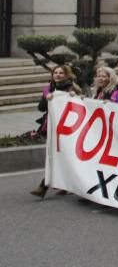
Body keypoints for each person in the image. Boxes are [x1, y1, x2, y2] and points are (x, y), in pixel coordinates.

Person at [29, 65, 82, 198]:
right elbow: (41, 109)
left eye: (61, 73)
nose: (57, 75)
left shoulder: (72, 89)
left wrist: (73, 97)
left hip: (67, 128)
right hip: (52, 127)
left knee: (58, 155)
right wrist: (46, 98)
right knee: (56, 155)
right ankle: (63, 184)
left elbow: (80, 105)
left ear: (66, 75)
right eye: (55, 73)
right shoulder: (48, 89)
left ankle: (44, 186)